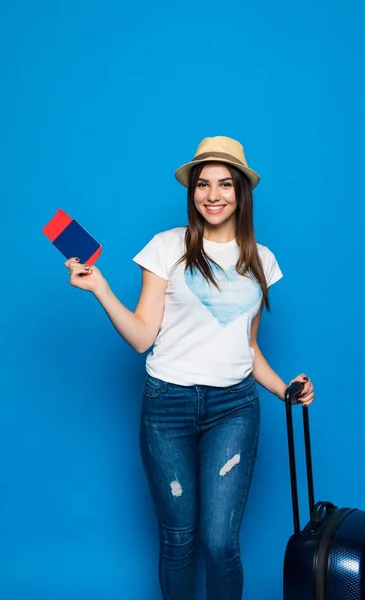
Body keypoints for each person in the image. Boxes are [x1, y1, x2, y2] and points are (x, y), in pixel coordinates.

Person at [64, 136, 315, 600]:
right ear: (192, 191)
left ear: (241, 192)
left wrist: (286, 390)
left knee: (221, 544)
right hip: (167, 408)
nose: (212, 195)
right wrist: (100, 288)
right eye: (203, 184)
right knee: (178, 541)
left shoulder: (262, 261)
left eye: (224, 184)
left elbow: (249, 346)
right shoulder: (165, 248)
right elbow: (143, 336)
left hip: (234, 409)